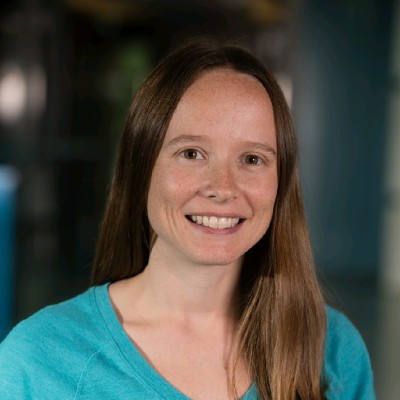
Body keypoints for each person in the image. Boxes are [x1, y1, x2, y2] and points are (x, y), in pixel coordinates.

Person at [0, 38, 374, 400]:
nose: (223, 187)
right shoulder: (40, 363)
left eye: (252, 159)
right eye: (192, 153)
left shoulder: (334, 351)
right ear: (141, 167)